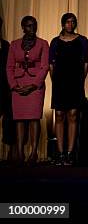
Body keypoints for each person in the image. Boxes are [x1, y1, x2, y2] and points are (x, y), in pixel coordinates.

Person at [6, 16, 50, 165]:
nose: (32, 29)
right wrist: (13, 85)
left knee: (33, 118)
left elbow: (44, 67)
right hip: (18, 84)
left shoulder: (43, 44)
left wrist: (34, 85)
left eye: (34, 25)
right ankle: (19, 152)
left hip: (35, 86)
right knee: (19, 119)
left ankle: (33, 152)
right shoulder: (14, 44)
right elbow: (9, 67)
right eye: (29, 26)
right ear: (23, 27)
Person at [49, 13, 88, 165]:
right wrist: (55, 81)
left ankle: (70, 153)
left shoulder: (82, 40)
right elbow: (51, 65)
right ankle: (60, 153)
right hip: (59, 82)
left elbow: (86, 62)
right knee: (59, 115)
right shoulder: (55, 41)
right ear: (62, 24)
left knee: (73, 114)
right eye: (67, 22)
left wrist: (81, 80)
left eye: (73, 22)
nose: (70, 25)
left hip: (75, 82)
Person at [0, 16, 17, 163]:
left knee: (9, 120)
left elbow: (11, 67)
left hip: (5, 88)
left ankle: (11, 151)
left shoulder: (6, 45)